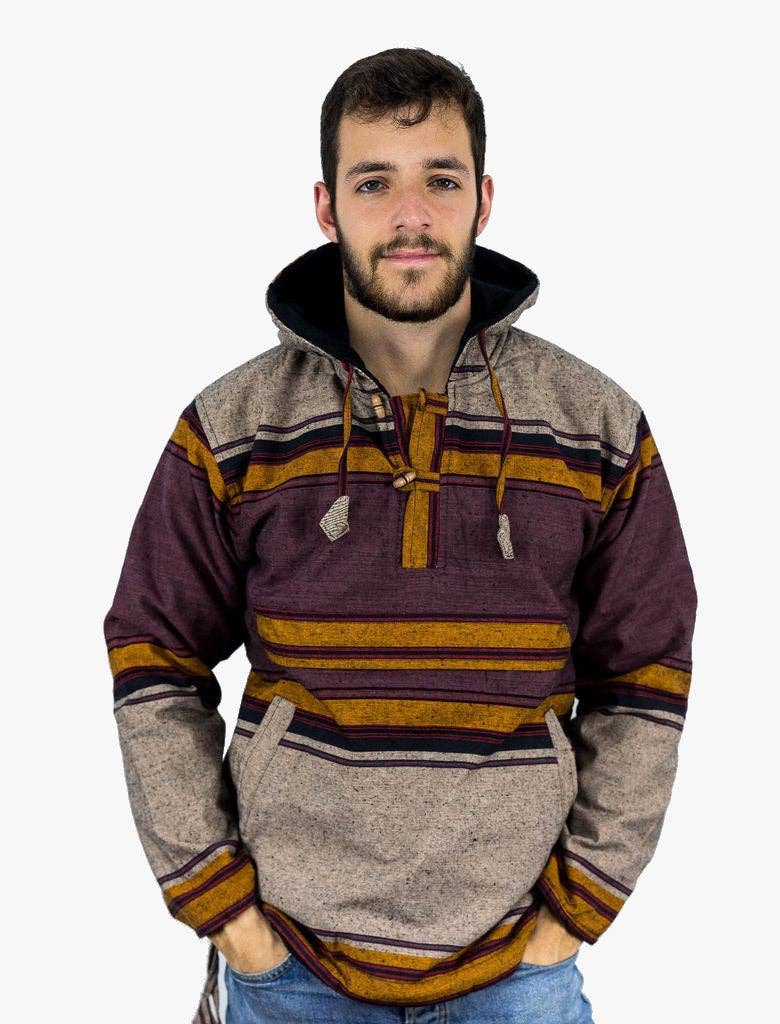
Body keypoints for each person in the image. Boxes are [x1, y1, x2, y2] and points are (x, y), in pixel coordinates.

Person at [103, 47, 698, 1024]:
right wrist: (226, 911)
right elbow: (152, 656)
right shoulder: (235, 424)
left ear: (484, 199)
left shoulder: (594, 424)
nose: (410, 215)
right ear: (327, 206)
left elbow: (646, 675)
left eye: (441, 181)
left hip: (519, 970)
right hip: (289, 965)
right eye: (375, 182)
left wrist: (576, 908)